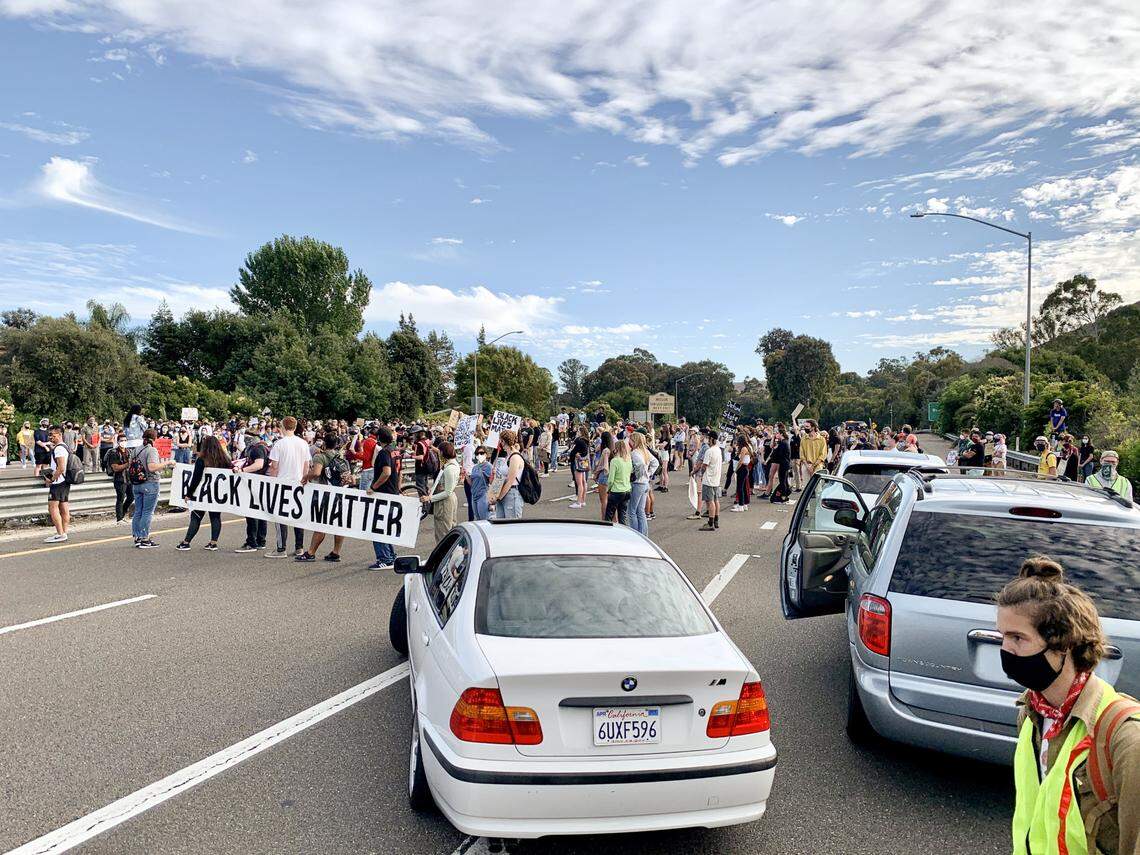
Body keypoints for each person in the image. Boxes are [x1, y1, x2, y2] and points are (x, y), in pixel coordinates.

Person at [996, 557, 1140, 855]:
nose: (1005, 649)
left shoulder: (1125, 739)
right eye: (1002, 636)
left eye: (1017, 638)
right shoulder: (1031, 714)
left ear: (1065, 644)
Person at [296, 430, 350, 562]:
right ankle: (336, 552)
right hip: (340, 493)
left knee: (321, 523)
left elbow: (316, 472)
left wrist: (306, 477)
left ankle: (311, 552)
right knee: (338, 524)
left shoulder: (321, 456)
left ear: (324, 443)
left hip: (326, 493)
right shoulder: (341, 457)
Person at [175, 435, 230, 551]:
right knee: (215, 517)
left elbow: (196, 478)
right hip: (217, 493)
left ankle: (186, 542)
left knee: (196, 517)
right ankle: (213, 542)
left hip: (203, 493)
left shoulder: (202, 459)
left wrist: (189, 494)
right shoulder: (225, 459)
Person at [267, 416, 311, 558]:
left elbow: (274, 467)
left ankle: (281, 548)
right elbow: (306, 465)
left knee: (280, 516)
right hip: (298, 483)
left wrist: (271, 483)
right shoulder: (303, 443)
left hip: (282, 483)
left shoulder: (279, 444)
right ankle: (299, 547)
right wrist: (304, 480)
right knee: (297, 515)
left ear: (282, 427)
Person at [366, 426, 401, 569]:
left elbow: (386, 472)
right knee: (386, 527)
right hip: (393, 491)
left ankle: (384, 558)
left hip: (384, 493)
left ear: (379, 438)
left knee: (378, 527)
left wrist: (374, 487)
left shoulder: (384, 452)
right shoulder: (395, 451)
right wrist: (398, 487)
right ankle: (391, 556)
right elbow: (399, 472)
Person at [130, 429, 168, 548]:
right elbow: (152, 467)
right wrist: (167, 463)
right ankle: (144, 538)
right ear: (154, 438)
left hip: (136, 483)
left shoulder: (135, 450)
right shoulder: (151, 450)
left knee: (138, 511)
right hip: (150, 483)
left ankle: (137, 537)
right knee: (147, 512)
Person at [234, 427, 270, 553]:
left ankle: (252, 542)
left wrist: (242, 470)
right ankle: (261, 540)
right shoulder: (260, 447)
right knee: (260, 513)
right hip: (259, 483)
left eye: (247, 438)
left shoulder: (257, 448)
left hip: (254, 482)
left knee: (251, 513)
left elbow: (259, 464)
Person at [422, 441, 460, 542]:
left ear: (443, 452)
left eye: (439, 452)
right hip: (446, 500)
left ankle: (446, 556)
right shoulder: (449, 465)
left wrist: (430, 498)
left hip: (445, 502)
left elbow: (447, 492)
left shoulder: (450, 468)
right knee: (448, 530)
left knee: (443, 533)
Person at [42, 424, 71, 543]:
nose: (50, 437)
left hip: (58, 482)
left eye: (52, 435)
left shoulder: (59, 448)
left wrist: (51, 479)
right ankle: (64, 532)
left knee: (52, 507)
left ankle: (60, 533)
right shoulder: (64, 446)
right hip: (64, 481)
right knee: (64, 507)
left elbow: (61, 467)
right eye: (49, 435)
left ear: (59, 435)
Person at [488, 429, 525, 520]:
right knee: (501, 526)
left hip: (512, 494)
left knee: (511, 528)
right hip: (503, 493)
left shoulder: (515, 457)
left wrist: (498, 497)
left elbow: (510, 481)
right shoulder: (508, 456)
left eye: (500, 440)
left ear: (503, 441)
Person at [628, 431, 657, 536]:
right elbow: (655, 462)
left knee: (632, 511)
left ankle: (635, 534)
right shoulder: (645, 451)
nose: (629, 442)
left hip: (638, 483)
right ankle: (643, 534)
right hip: (645, 483)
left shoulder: (635, 452)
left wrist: (639, 475)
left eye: (630, 440)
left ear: (634, 441)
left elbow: (639, 464)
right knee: (640, 510)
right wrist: (648, 474)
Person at [105, 433, 134, 525]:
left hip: (129, 478)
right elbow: (115, 468)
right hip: (119, 479)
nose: (123, 442)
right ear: (118, 442)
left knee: (131, 497)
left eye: (125, 440)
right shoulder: (114, 453)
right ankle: (119, 519)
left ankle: (122, 513)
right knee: (120, 498)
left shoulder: (129, 451)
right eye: (121, 440)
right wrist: (127, 464)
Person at [604, 438, 632, 525]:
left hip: (616, 490)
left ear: (616, 449)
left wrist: (608, 489)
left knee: (609, 515)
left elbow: (611, 479)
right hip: (626, 489)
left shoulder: (615, 461)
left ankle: (606, 533)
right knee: (622, 515)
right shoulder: (628, 460)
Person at [699, 429, 723, 531]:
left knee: (710, 501)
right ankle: (716, 520)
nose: (707, 440)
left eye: (708, 438)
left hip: (709, 478)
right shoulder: (718, 450)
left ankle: (710, 522)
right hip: (716, 478)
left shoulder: (709, 451)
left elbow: (704, 465)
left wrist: (701, 473)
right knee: (716, 500)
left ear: (712, 439)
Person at [466, 444, 493, 522]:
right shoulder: (475, 467)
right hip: (474, 495)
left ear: (486, 454)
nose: (479, 455)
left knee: (484, 521)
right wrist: (467, 476)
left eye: (481, 453)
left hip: (483, 495)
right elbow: (472, 483)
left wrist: (493, 474)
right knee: (478, 520)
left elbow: (491, 482)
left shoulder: (489, 466)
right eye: (477, 453)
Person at [570, 428, 590, 509]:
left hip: (578, 462)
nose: (577, 432)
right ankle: (583, 500)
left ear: (581, 432)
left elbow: (576, 451)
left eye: (578, 431)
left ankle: (579, 502)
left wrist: (578, 455)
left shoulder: (579, 440)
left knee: (579, 483)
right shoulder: (585, 440)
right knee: (583, 481)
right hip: (584, 462)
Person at [732, 436, 752, 512]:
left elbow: (741, 461)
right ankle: (744, 504)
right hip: (744, 468)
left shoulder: (744, 448)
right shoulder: (746, 447)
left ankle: (741, 505)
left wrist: (736, 470)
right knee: (743, 487)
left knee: (740, 487)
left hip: (742, 468)